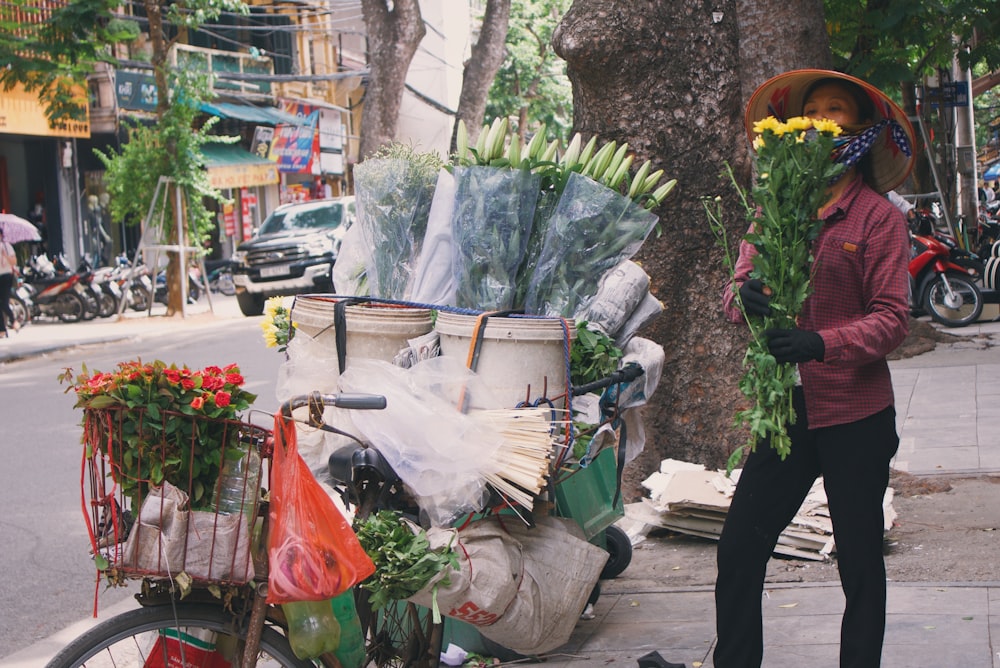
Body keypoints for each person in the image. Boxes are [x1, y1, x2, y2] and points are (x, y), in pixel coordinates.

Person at [716, 69, 915, 668]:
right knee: (740, 548)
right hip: (786, 413)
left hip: (856, 413)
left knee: (858, 559)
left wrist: (819, 343)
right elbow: (736, 289)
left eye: (837, 111)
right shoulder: (776, 206)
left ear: (860, 132)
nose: (822, 121)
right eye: (813, 111)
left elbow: (892, 319)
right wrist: (742, 297)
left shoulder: (878, 218)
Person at [0, 227, 18, 337]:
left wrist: (5, 256)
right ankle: (2, 330)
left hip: (6, 276)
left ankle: (14, 320)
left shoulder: (7, 247)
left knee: (4, 303)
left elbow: (14, 261)